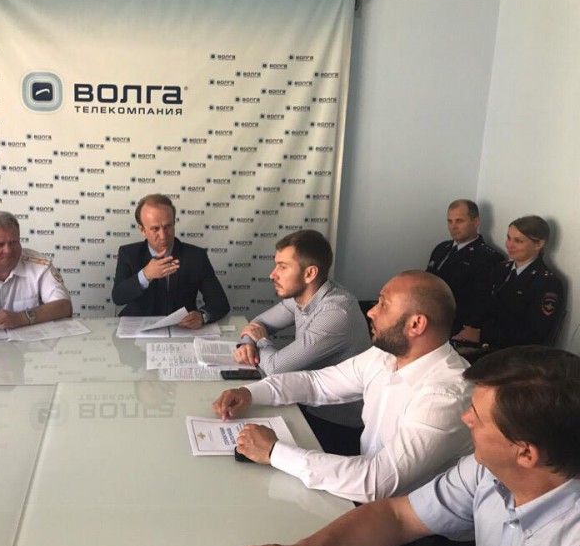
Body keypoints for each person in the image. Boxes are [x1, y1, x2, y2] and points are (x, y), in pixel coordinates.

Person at [242, 346, 580, 546]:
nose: (466, 419)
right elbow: (398, 516)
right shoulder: (485, 471)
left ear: (525, 453)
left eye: (477, 417)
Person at [212, 270, 472, 503]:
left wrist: (273, 452)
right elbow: (316, 383)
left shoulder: (444, 396)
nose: (371, 312)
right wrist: (250, 393)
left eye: (383, 304)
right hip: (371, 498)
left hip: (412, 526)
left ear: (416, 324)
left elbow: (375, 482)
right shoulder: (385, 356)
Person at [235, 229, 370, 455]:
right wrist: (247, 343)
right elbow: (258, 323)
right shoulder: (303, 296)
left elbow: (276, 368)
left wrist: (261, 341)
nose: (272, 275)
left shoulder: (336, 311)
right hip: (308, 405)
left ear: (309, 274)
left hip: (337, 426)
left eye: (282, 267)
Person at [111, 193, 229, 328]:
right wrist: (146, 275)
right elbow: (118, 297)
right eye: (155, 229)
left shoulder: (196, 256)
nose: (163, 236)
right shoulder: (128, 254)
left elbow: (220, 303)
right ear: (142, 229)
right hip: (139, 330)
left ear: (174, 224)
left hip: (181, 330)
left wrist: (202, 316)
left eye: (168, 226)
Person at [453, 215, 564, 349]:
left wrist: (482, 335)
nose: (509, 245)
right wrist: (467, 327)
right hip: (485, 341)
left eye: (518, 241)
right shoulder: (501, 269)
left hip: (512, 352)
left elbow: (534, 335)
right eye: (508, 238)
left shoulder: (547, 283)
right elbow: (485, 306)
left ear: (539, 244)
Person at [426, 199, 503, 335]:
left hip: (457, 327)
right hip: (430, 318)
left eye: (459, 221)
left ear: (476, 221)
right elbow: (428, 281)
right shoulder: (441, 249)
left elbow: (482, 304)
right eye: (450, 221)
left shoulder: (488, 257)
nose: (453, 227)